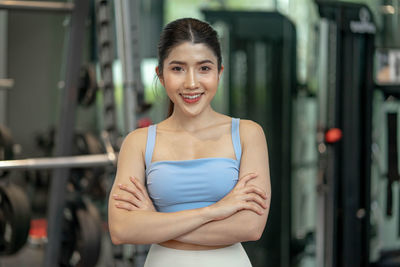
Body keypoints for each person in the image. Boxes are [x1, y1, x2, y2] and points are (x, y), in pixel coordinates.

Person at [108, 17, 271, 267]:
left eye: (204, 68)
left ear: (219, 72)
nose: (191, 83)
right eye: (178, 69)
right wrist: (214, 211)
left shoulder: (248, 134)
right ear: (161, 75)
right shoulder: (138, 143)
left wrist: (154, 223)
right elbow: (121, 230)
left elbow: (250, 227)